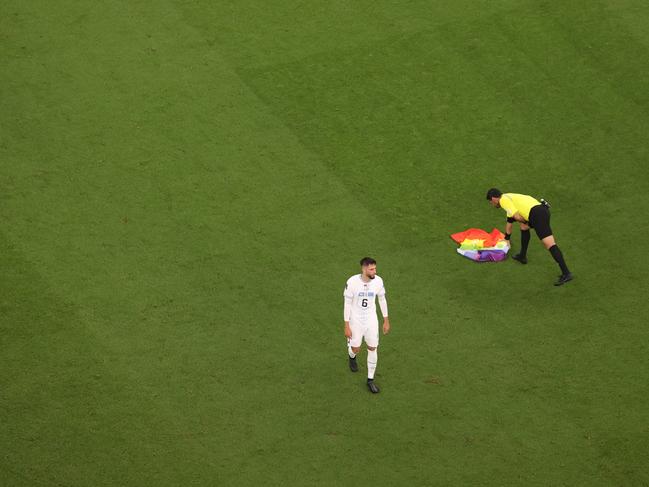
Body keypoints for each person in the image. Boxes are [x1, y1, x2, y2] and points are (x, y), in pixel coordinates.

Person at [486, 188, 573, 286]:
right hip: (540, 210)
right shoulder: (508, 197)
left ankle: (566, 273)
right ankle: (522, 256)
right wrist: (507, 238)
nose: (492, 204)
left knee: (550, 244)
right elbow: (509, 222)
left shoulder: (503, 201)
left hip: (537, 214)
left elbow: (517, 217)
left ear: (494, 198)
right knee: (524, 227)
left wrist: (528, 222)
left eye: (491, 202)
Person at [343, 257, 390, 393]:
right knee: (356, 348)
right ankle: (352, 356)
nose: (374, 271)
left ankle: (370, 380)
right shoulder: (352, 282)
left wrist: (386, 319)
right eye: (371, 269)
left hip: (371, 319)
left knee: (372, 347)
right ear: (363, 269)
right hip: (355, 319)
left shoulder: (378, 282)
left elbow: (382, 299)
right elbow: (347, 304)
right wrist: (346, 324)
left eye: (375, 268)